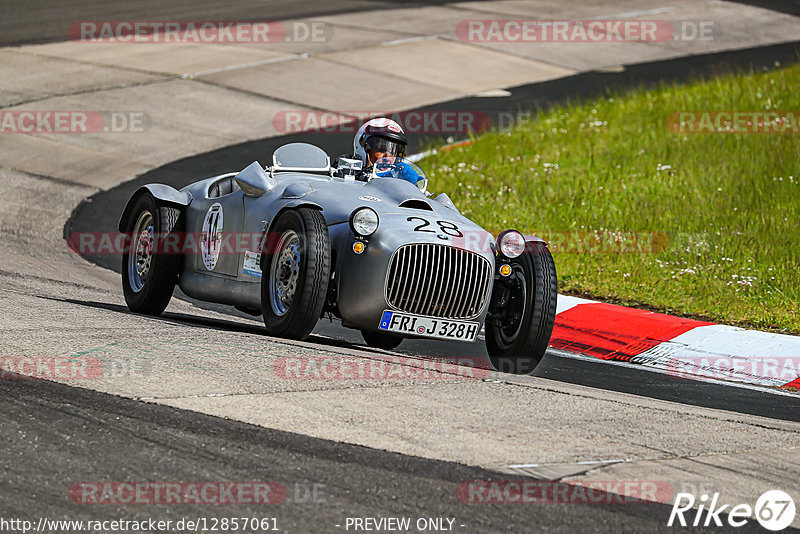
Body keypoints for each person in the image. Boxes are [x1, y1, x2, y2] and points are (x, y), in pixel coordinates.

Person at [339, 118, 424, 186]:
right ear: (364, 148)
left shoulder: (399, 178)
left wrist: (413, 187)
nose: (388, 158)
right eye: (381, 149)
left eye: (393, 153)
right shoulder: (344, 171)